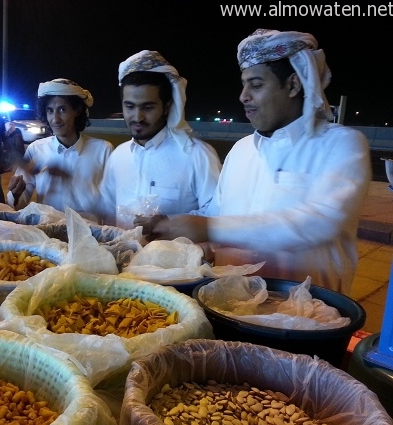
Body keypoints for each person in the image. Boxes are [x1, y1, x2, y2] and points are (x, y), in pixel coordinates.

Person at [143, 29, 372, 295]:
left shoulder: (341, 144)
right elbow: (216, 214)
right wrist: (169, 224)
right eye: (244, 84)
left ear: (293, 85)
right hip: (228, 303)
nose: (243, 96)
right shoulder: (241, 150)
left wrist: (209, 228)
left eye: (256, 84)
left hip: (308, 318)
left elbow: (319, 222)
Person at [96, 50, 221, 229]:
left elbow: (217, 214)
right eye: (130, 106)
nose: (137, 117)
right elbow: (105, 211)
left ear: (166, 107)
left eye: (147, 107)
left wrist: (169, 223)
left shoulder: (196, 155)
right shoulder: (118, 156)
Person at [7, 78, 113, 219]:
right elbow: (18, 204)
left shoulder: (103, 150)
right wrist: (15, 193)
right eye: (50, 111)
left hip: (89, 237)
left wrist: (70, 179)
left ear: (77, 110)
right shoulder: (36, 149)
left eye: (62, 110)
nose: (55, 119)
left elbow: (110, 208)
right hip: (46, 236)